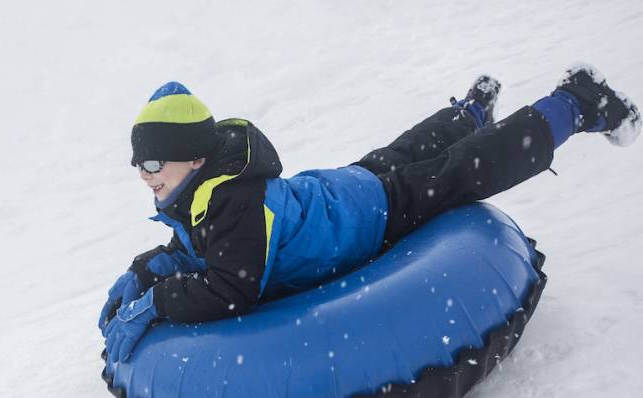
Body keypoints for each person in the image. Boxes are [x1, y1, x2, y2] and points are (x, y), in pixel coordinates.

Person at [100, 64, 640, 362]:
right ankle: (469, 111)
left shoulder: (231, 201)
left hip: (368, 218)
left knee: (464, 170)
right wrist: (148, 268)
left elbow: (231, 286)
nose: (145, 175)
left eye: (153, 162)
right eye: (137, 165)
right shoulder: (204, 192)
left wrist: (157, 305)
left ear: (194, 158)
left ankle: (576, 102)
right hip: (339, 195)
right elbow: (198, 245)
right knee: (402, 156)